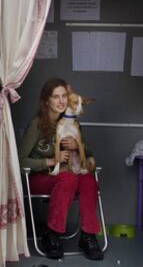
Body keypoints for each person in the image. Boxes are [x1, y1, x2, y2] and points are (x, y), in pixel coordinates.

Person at [18, 78, 104, 261]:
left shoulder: (72, 121)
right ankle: (52, 235)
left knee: (88, 179)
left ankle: (88, 236)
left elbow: (87, 150)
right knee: (68, 178)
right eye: (55, 97)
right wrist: (49, 161)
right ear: (46, 101)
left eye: (64, 96)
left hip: (67, 176)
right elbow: (20, 160)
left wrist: (75, 145)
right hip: (40, 178)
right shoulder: (37, 124)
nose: (61, 101)